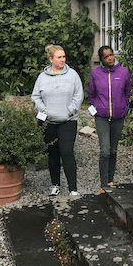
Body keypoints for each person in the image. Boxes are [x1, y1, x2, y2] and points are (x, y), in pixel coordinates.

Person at [31, 44, 84, 197]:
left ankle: (73, 188)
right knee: (52, 154)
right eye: (59, 57)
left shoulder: (72, 75)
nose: (63, 60)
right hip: (49, 123)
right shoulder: (42, 77)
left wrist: (70, 110)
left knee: (67, 152)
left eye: (64, 57)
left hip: (68, 121)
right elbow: (35, 97)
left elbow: (78, 95)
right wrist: (44, 111)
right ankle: (55, 185)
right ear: (51, 59)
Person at [87, 46, 131, 192]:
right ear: (101, 60)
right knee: (105, 150)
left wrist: (124, 107)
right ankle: (103, 183)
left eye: (111, 55)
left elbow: (127, 92)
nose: (110, 58)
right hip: (102, 118)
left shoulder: (123, 72)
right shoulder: (95, 73)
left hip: (118, 117)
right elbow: (91, 95)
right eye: (106, 57)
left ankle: (111, 180)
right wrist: (95, 110)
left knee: (113, 150)